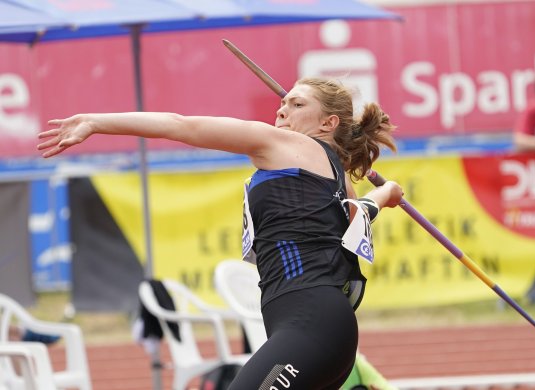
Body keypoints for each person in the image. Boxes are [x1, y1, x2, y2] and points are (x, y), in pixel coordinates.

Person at [38, 77, 403, 389]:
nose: (281, 110)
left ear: (328, 123)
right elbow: (359, 215)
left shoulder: (285, 145)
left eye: (296, 103)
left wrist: (95, 122)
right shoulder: (339, 180)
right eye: (282, 102)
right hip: (327, 329)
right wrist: (386, 193)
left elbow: (181, 125)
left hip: (311, 327)